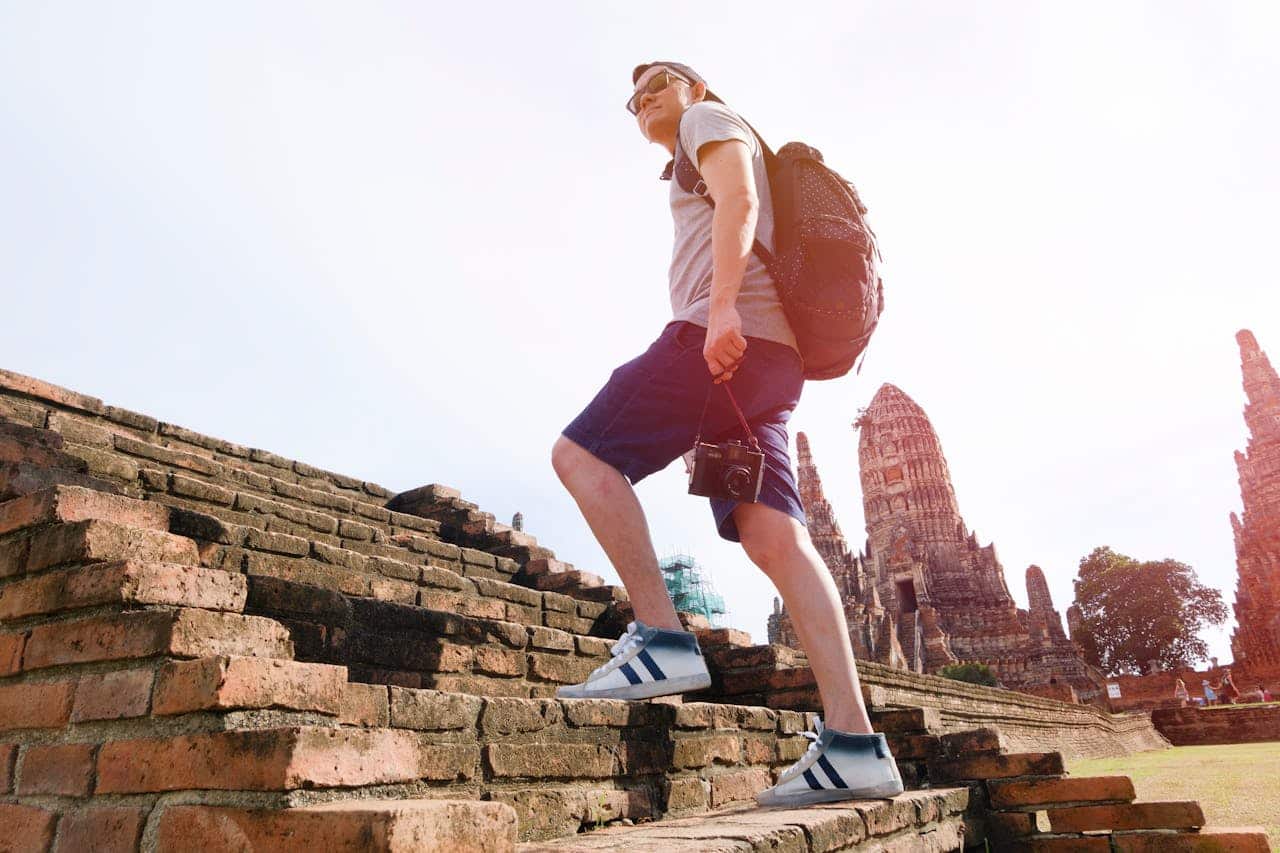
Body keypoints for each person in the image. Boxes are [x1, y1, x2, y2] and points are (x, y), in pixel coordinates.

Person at [550, 62, 903, 807]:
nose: (644, 99)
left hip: (720, 343)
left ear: (697, 89)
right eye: (633, 97)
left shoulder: (707, 122)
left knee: (581, 454)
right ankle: (855, 743)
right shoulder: (690, 143)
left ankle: (661, 639)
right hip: (767, 366)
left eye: (660, 84)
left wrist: (718, 313)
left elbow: (739, 198)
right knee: (778, 540)